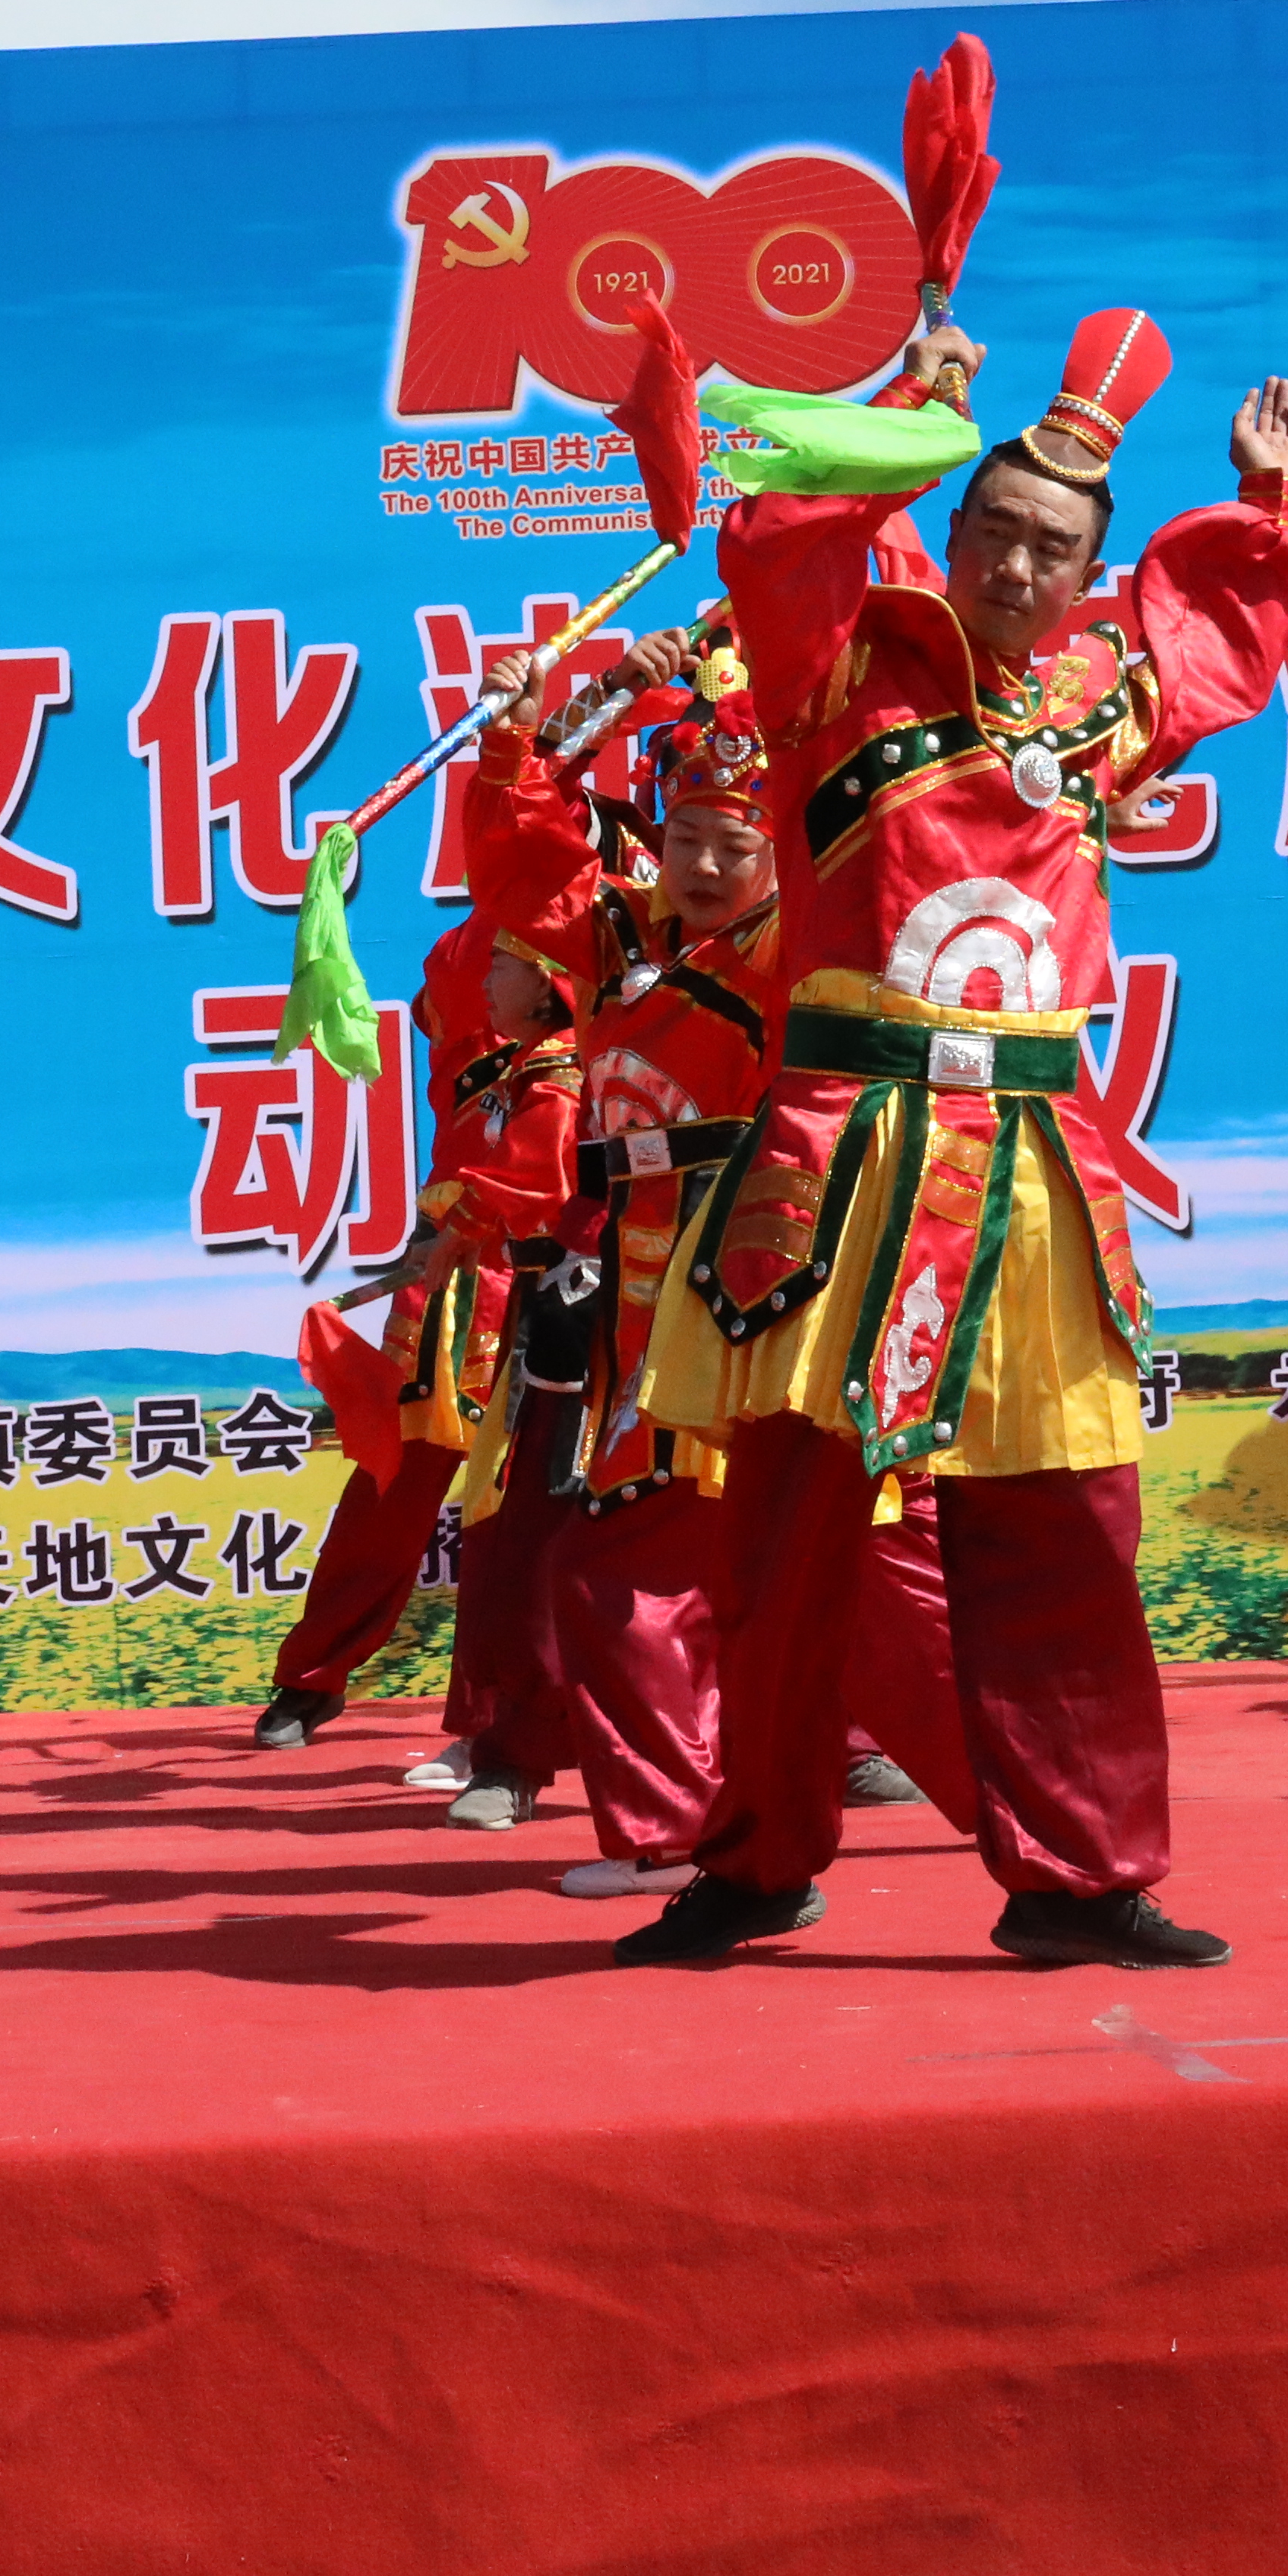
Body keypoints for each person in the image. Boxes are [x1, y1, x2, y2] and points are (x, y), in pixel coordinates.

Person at [625, 306, 1288, 1969]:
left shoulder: (1097, 702)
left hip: (1028, 1159)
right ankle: (758, 1854)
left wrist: (1267, 510)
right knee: (789, 1531)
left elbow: (1219, 633)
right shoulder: (843, 661)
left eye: (1055, 548)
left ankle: (1078, 1876)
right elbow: (788, 535)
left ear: (1090, 574)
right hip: (845, 1143)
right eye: (996, 529)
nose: (1019, 564)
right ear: (954, 528)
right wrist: (906, 408)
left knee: (1064, 1525)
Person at [450, 628, 978, 1889]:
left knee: (831, 1569)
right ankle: (708, 1831)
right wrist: (530, 730)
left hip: (759, 1279)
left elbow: (832, 828)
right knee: (637, 1560)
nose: (700, 864)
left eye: (731, 845)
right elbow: (529, 866)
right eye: (683, 837)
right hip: (647, 1290)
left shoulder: (788, 943)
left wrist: (755, 690)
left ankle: (1018, 1806)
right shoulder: (627, 941)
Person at [250, 914, 581, 1750]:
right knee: (390, 1489)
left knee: (540, 1511)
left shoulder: (605, 1001)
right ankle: (313, 1677)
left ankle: (509, 1717)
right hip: (456, 1280)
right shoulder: (476, 984)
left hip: (567, 1282)